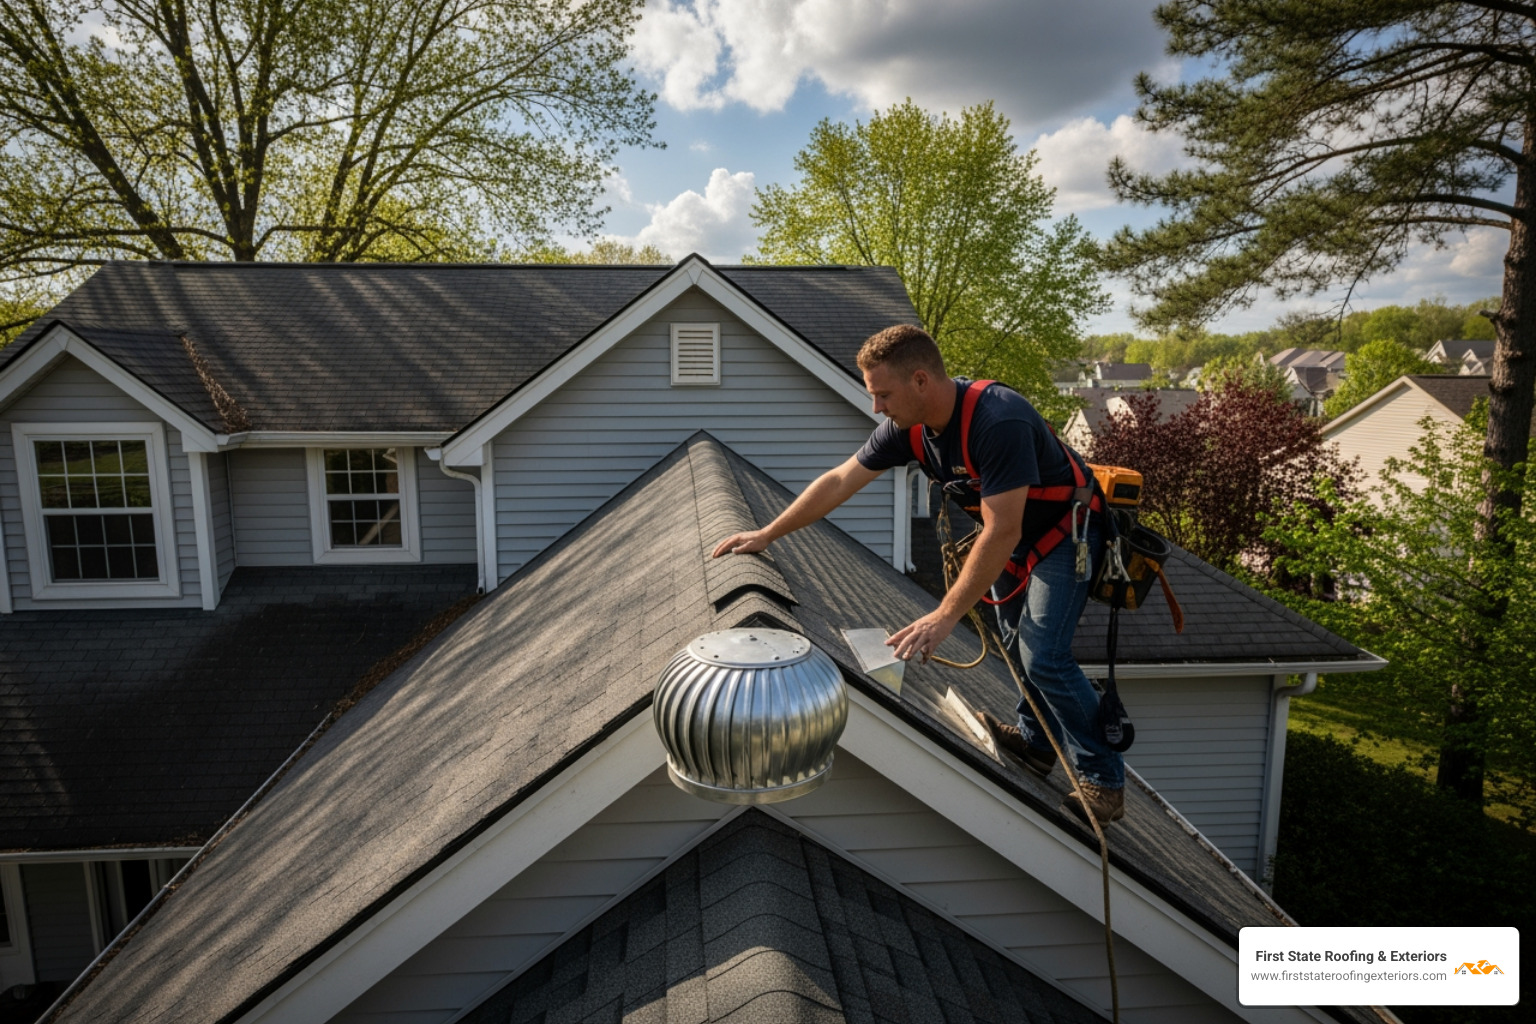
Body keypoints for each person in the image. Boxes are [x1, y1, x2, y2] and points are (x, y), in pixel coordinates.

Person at [711, 324, 1125, 824]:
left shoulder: (998, 420)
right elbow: (842, 479)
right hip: (1015, 536)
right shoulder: (910, 430)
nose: (876, 407)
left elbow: (1002, 529)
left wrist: (945, 616)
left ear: (921, 380)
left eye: (883, 394)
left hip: (1065, 534)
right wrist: (766, 534)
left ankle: (1103, 780)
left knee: (1045, 656)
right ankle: (1038, 744)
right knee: (1017, 647)